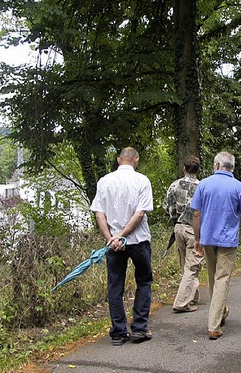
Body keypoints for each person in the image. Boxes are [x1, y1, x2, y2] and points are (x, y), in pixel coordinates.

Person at [90, 147, 154, 346]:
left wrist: (111, 238)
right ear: (136, 160)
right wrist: (122, 235)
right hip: (138, 240)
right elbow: (140, 213)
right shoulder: (142, 181)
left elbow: (99, 213)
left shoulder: (104, 181)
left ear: (119, 160)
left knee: (115, 285)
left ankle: (118, 332)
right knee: (143, 281)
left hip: (113, 245)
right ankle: (139, 328)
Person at [191, 151, 241, 340]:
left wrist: (197, 239)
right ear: (231, 167)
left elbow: (196, 214)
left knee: (213, 278)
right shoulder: (239, 187)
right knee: (222, 279)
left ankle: (220, 311)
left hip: (208, 238)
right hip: (228, 240)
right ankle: (214, 325)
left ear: (217, 165)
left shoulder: (204, 185)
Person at [163, 155, 204, 313]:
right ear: (198, 170)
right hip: (195, 230)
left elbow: (167, 207)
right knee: (193, 266)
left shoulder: (174, 185)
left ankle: (192, 296)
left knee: (185, 265)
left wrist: (175, 215)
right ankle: (181, 302)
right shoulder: (202, 187)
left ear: (184, 168)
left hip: (179, 227)